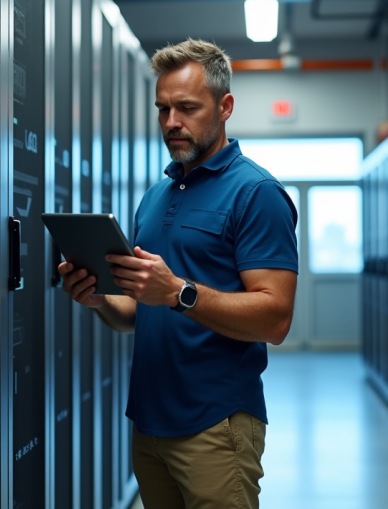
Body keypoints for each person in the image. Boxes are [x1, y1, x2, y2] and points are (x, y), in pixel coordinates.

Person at [58, 38, 298, 509]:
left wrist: (179, 292)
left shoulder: (257, 194)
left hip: (216, 423)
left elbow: (275, 319)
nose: (172, 123)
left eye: (187, 108)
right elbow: (137, 310)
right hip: (149, 422)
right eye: (163, 109)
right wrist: (100, 299)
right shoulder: (155, 196)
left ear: (225, 106)